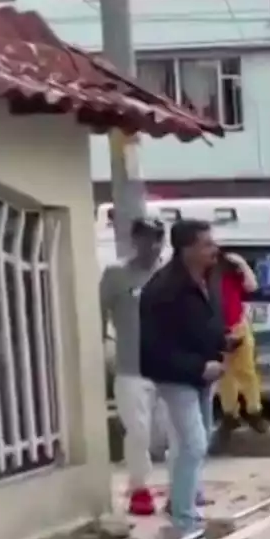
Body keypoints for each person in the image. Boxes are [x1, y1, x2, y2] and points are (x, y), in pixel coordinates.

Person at [139, 219, 230, 536]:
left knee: (196, 440)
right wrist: (197, 367)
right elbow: (152, 348)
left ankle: (182, 502)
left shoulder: (207, 279)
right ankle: (184, 518)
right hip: (176, 376)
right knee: (193, 442)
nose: (214, 249)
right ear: (187, 249)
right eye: (206, 244)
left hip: (203, 375)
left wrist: (223, 345)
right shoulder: (163, 289)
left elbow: (207, 323)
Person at [100, 217, 167, 516]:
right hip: (131, 367)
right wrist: (102, 346)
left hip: (170, 368)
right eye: (144, 238)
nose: (151, 245)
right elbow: (97, 313)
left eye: (156, 238)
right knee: (138, 431)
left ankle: (183, 490)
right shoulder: (116, 276)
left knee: (171, 433)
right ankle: (139, 489)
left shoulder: (170, 276)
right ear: (134, 241)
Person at [216, 252, 268, 439]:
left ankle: (254, 412)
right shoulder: (205, 279)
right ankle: (230, 414)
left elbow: (252, 286)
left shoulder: (232, 277)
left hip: (238, 327)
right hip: (218, 330)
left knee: (247, 373)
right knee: (225, 376)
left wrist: (242, 263)